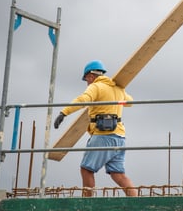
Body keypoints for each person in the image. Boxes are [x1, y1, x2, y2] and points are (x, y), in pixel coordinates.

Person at [54, 60, 137, 197]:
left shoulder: (96, 86)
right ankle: (136, 201)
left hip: (103, 136)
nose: (87, 82)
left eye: (86, 79)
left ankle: (88, 204)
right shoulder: (117, 88)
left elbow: (83, 99)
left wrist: (64, 112)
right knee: (118, 174)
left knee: (86, 169)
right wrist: (116, 97)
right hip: (119, 138)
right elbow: (130, 102)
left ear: (91, 76)